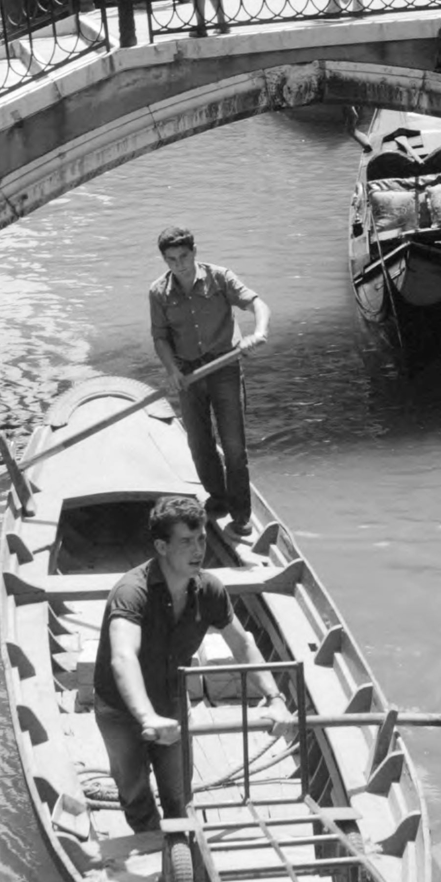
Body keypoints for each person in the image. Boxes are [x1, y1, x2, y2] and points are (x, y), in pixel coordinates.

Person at [92, 495, 291, 834]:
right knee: (134, 793)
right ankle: (155, 850)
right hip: (121, 710)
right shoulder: (131, 592)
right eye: (186, 541)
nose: (198, 550)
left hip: (171, 700)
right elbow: (123, 657)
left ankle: (180, 853)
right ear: (162, 546)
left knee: (179, 794)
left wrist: (275, 699)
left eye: (201, 539)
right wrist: (146, 717)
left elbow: (242, 644)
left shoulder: (209, 589)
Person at [148, 226, 270, 535]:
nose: (180, 265)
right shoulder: (158, 293)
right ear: (164, 260)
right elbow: (160, 337)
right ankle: (217, 499)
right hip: (188, 374)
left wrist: (259, 332)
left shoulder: (219, 278)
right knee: (199, 445)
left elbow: (257, 303)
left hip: (225, 366)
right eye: (172, 259)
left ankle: (241, 515)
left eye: (184, 256)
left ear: (195, 252)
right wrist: (172, 371)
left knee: (233, 447)